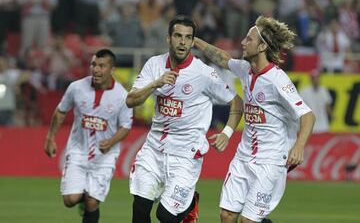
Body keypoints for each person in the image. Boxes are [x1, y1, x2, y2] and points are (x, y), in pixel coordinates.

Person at [194, 16, 316, 223]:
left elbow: (308, 115)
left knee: (248, 221)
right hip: (243, 157)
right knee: (227, 215)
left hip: (270, 162)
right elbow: (222, 58)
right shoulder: (245, 70)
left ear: (262, 46)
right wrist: (195, 41)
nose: (243, 42)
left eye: (248, 39)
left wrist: (299, 146)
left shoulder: (277, 80)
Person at [126, 15, 243, 223]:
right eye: (178, 36)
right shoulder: (154, 65)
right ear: (168, 38)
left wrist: (226, 133)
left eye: (188, 37)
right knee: (140, 210)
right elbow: (131, 101)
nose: (182, 42)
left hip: (185, 155)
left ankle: (189, 206)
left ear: (192, 41)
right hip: (154, 150)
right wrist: (156, 83)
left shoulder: (204, 73)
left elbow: (237, 102)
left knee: (165, 216)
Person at [44, 49, 133, 223]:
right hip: (78, 149)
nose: (96, 70)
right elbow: (61, 112)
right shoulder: (76, 87)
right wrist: (50, 137)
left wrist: (111, 141)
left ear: (112, 69)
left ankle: (88, 204)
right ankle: (81, 202)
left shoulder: (122, 96)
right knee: (70, 200)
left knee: (93, 202)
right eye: (93, 64)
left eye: (101, 66)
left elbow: (126, 126)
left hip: (105, 156)